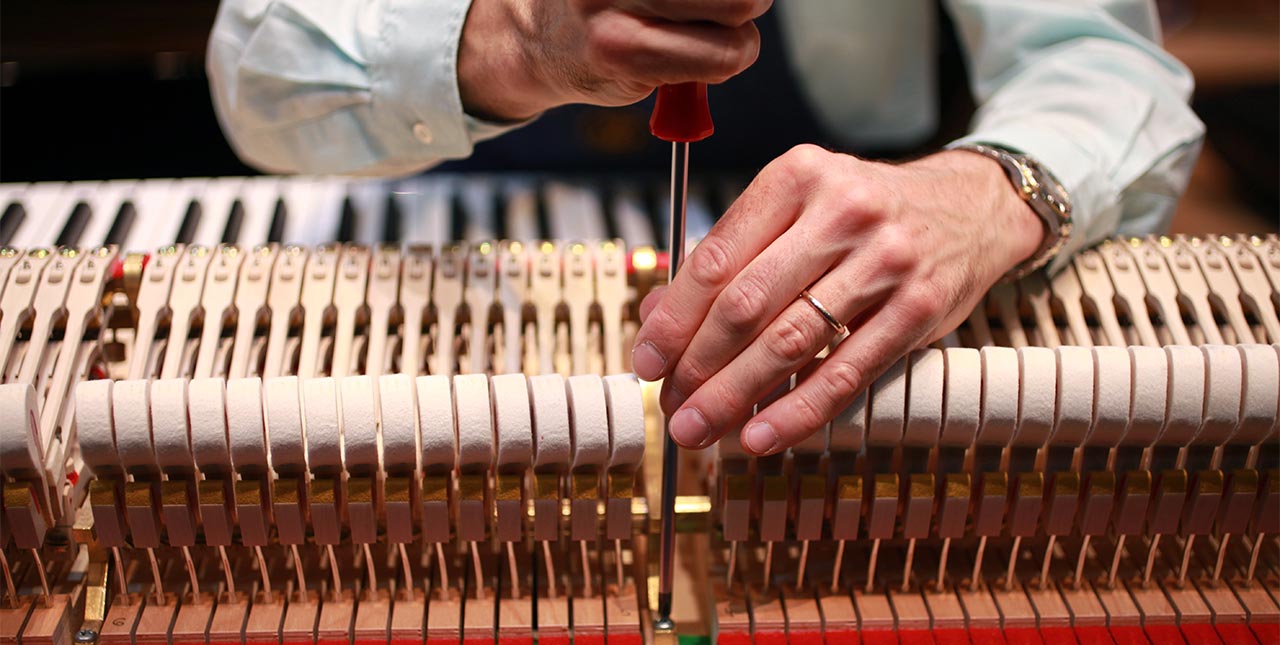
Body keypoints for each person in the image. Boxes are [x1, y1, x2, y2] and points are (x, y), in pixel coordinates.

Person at [208, 0, 1204, 455]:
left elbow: (1099, 55)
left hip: (828, 195)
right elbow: (251, 78)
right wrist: (510, 39)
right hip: (448, 214)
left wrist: (990, 191)